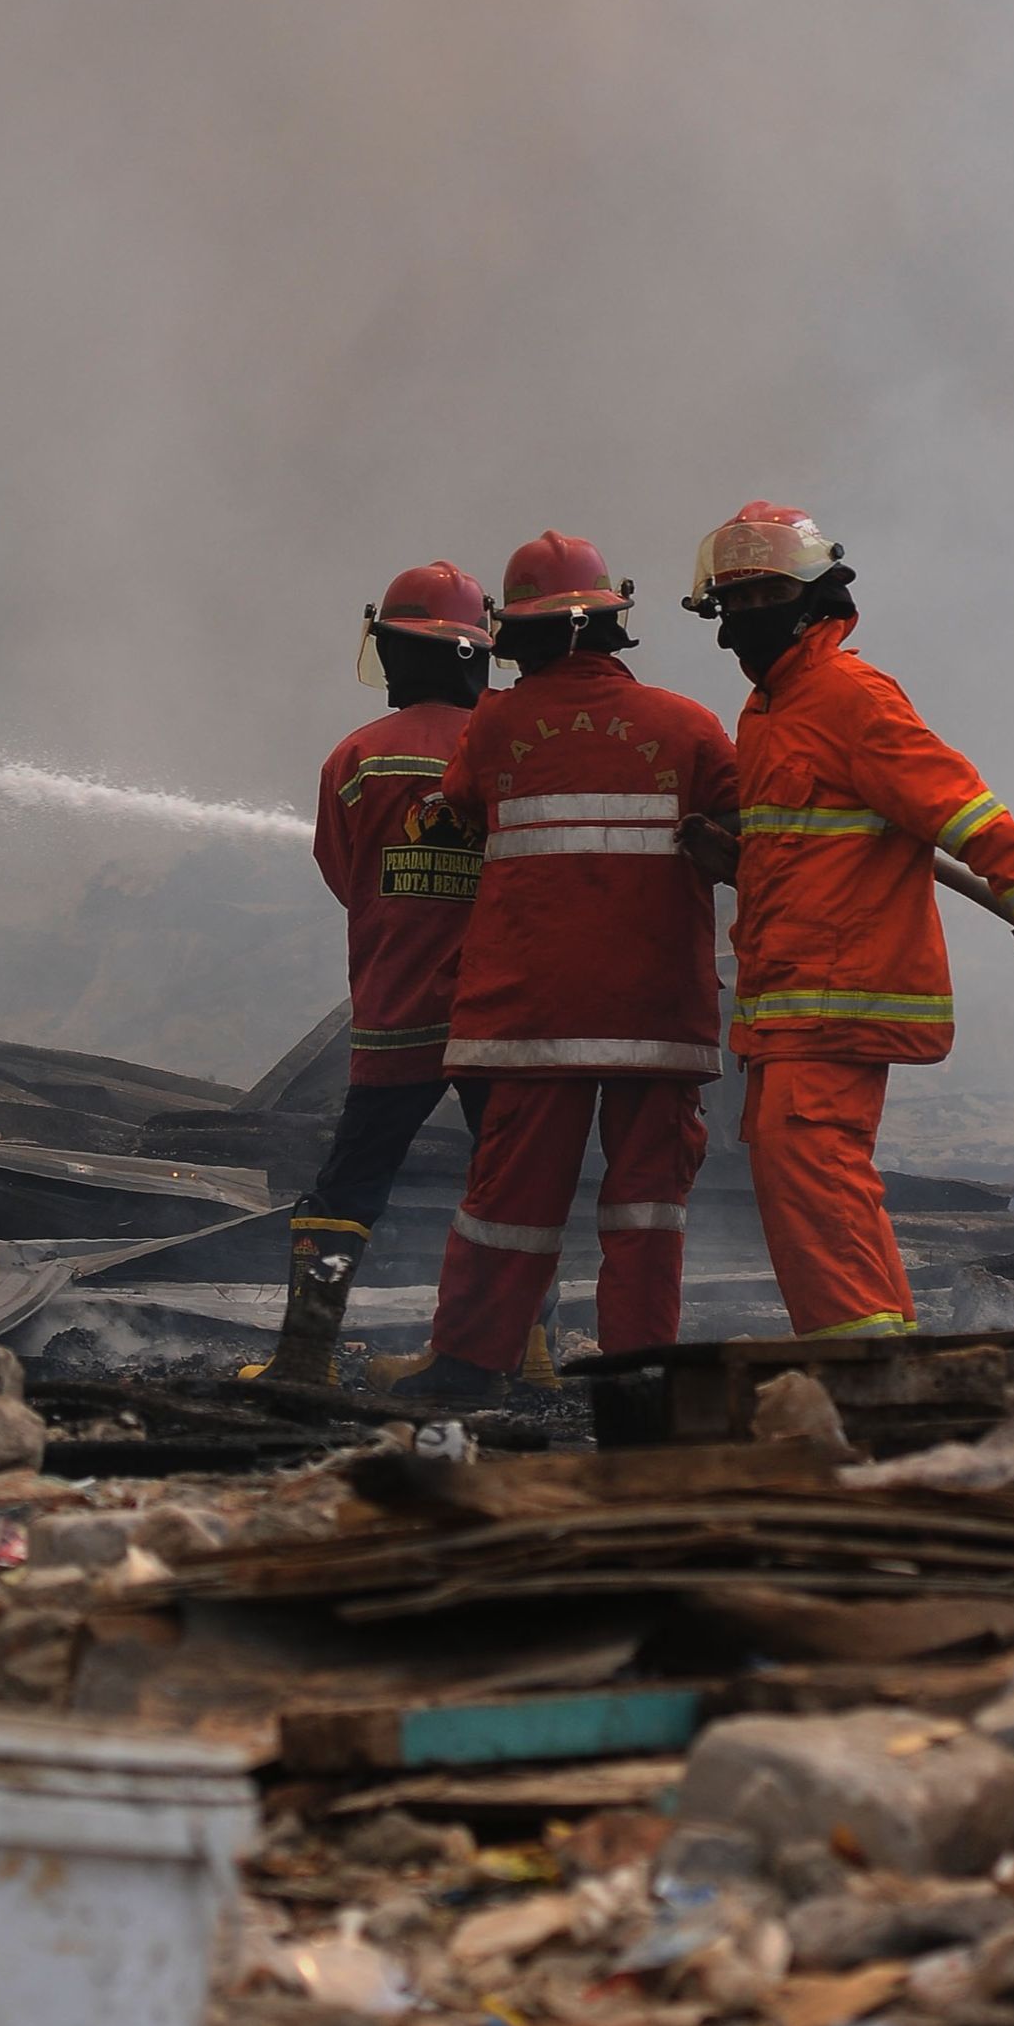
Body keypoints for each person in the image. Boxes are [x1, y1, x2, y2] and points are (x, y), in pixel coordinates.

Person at [678, 501, 1014, 1340]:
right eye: (728, 604)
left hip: (840, 990)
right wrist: (732, 859)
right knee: (812, 1173)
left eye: (758, 597)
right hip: (789, 994)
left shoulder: (849, 695)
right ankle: (888, 1353)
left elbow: (964, 809)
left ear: (814, 599)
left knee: (810, 1166)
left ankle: (867, 1378)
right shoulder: (770, 714)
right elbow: (815, 857)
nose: (740, 621)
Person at [394, 530, 740, 1410]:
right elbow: (749, 844)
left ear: (519, 637)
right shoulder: (692, 726)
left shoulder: (497, 726)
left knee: (509, 1202)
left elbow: (463, 811)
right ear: (613, 627)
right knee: (646, 1209)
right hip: (657, 1020)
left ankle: (469, 1366)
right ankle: (641, 1379)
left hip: (530, 1019)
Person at [244, 560, 494, 1387]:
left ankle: (305, 1357)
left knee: (348, 1187)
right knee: (513, 1188)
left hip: (397, 1011)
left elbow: (341, 872)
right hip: (500, 1014)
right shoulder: (515, 744)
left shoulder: (358, 756)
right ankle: (523, 1352)